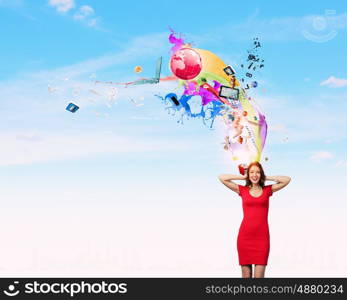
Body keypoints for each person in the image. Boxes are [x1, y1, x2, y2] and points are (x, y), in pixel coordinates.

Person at [218, 162, 291, 278]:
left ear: (261, 174)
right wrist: (243, 177)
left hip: (262, 239)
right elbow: (221, 178)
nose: (254, 175)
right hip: (245, 238)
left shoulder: (267, 190)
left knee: (259, 277)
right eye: (252, 172)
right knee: (246, 275)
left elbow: (287, 179)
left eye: (257, 172)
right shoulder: (242, 190)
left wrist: (266, 177)